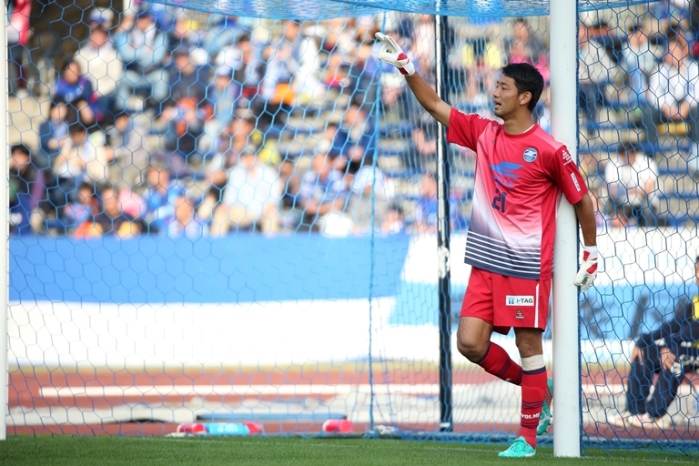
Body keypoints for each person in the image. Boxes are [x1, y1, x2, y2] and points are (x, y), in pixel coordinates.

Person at [374, 34, 598, 458]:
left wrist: (591, 252)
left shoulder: (549, 150)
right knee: (470, 344)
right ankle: (539, 391)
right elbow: (436, 106)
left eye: (503, 87)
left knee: (529, 347)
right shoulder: (484, 133)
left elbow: (582, 200)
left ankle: (527, 439)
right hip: (484, 262)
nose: (495, 92)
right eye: (495, 85)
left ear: (525, 97)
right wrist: (406, 66)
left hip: (526, 266)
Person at [609, 255, 699, 429]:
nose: (698, 276)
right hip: (690, 353)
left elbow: (695, 330)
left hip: (690, 354)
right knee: (646, 352)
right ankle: (635, 411)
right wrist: (643, 340)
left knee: (676, 356)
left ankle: (653, 415)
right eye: (697, 271)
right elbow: (671, 326)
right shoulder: (695, 304)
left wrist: (669, 345)